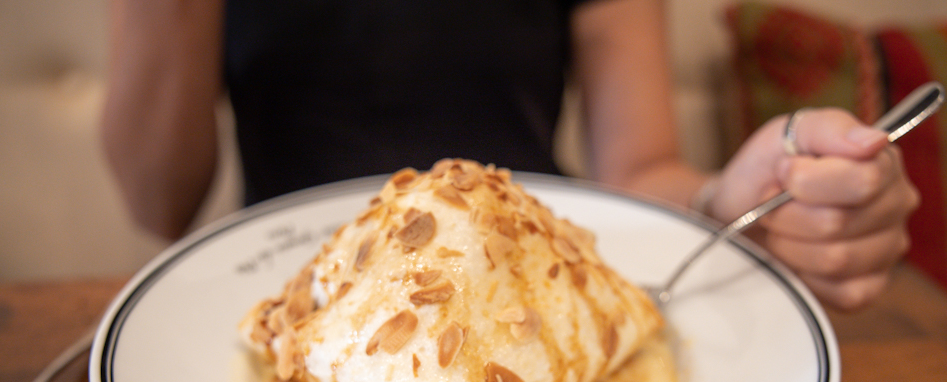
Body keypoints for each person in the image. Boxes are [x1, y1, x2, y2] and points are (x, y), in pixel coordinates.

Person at [101, 0, 918, 311]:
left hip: (532, 288)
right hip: (299, 292)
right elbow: (156, 203)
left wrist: (736, 206)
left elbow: (637, 174)